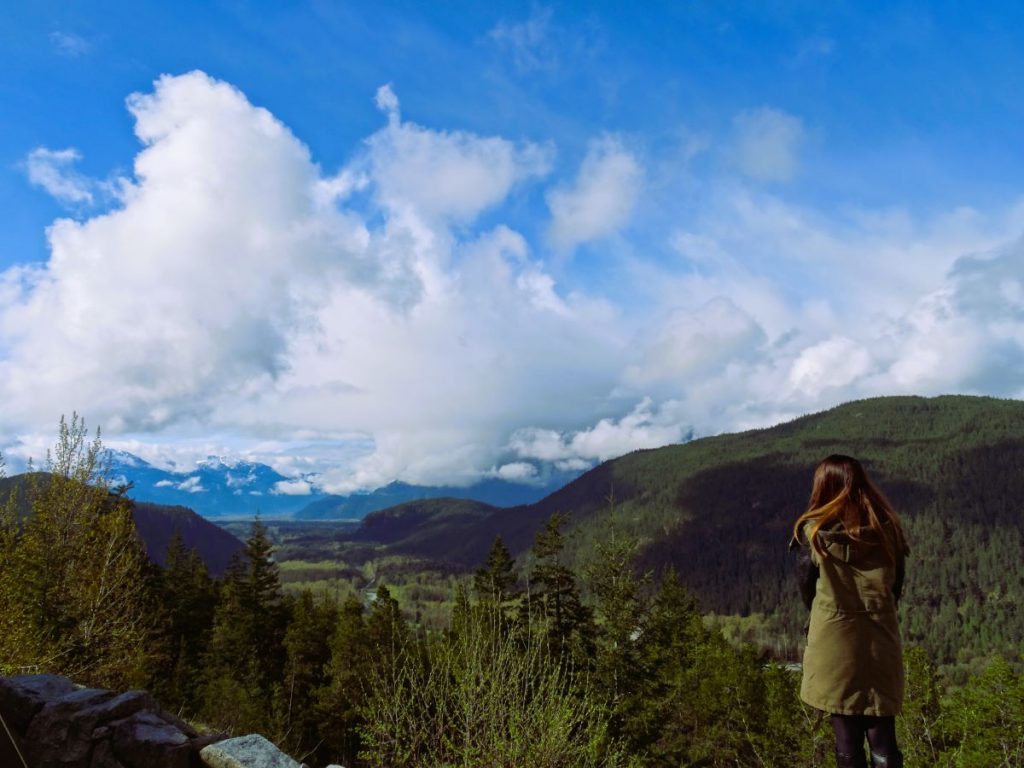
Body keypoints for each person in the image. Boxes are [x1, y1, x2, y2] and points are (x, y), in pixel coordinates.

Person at [790, 454, 909, 768]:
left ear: (822, 487)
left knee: (846, 741)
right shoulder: (889, 531)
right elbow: (895, 589)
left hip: (833, 641)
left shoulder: (812, 534)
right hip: (880, 639)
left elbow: (807, 591)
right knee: (883, 736)